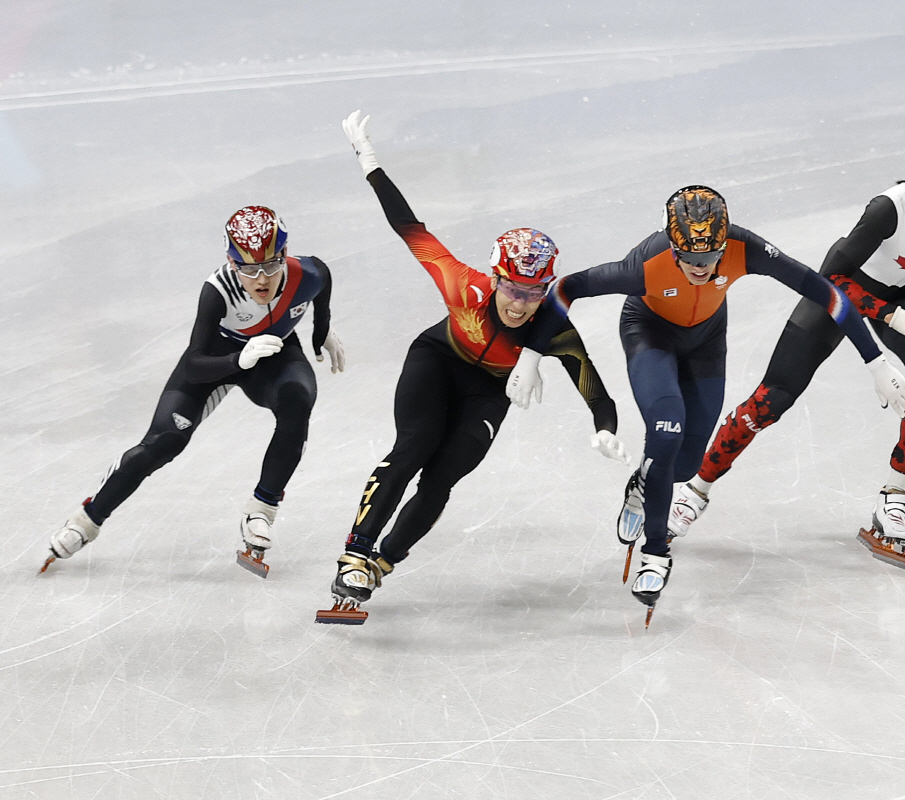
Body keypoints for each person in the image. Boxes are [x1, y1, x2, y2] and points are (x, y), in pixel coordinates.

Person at [506, 185, 905, 617]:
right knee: (667, 431)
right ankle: (655, 556)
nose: (700, 269)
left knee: (684, 467)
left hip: (706, 342)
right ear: (673, 247)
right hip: (650, 334)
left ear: (724, 244)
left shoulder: (746, 248)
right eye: (689, 260)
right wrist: (531, 356)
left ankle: (644, 485)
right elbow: (566, 289)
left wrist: (876, 362)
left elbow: (827, 292)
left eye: (709, 259)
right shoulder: (644, 264)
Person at [318, 111, 625, 623]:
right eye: (511, 287)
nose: (519, 304)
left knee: (442, 478)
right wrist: (369, 162)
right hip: (437, 361)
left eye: (533, 292)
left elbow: (596, 391)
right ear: (494, 278)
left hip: (487, 391)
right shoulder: (464, 286)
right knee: (413, 447)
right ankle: (356, 553)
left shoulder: (553, 328)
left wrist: (605, 430)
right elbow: (409, 228)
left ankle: (382, 564)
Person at [659, 124, 905, 571]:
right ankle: (694, 490)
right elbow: (830, 282)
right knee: (772, 399)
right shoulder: (888, 210)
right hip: (841, 292)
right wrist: (893, 319)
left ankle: (895, 496)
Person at [42, 206, 344, 577]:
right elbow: (194, 364)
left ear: (284, 254)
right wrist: (239, 360)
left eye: (270, 265)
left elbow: (321, 299)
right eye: (248, 269)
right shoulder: (218, 291)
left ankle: (262, 509)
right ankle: (87, 520)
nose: (261, 279)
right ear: (232, 263)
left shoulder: (311, 272)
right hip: (217, 360)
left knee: (298, 401)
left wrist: (320, 333)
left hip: (273, 355)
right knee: (163, 442)